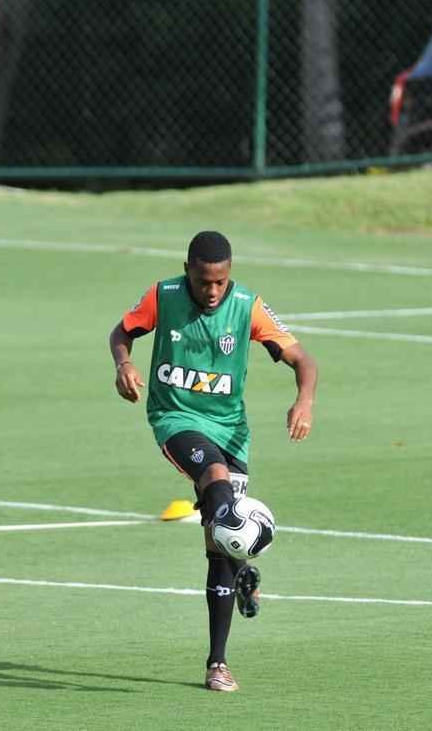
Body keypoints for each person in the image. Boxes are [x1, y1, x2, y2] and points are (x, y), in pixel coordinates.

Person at [108, 230, 318, 692]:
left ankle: (223, 641)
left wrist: (304, 401)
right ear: (188, 271)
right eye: (204, 282)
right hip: (176, 419)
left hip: (232, 432)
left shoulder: (248, 306)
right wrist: (124, 364)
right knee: (215, 480)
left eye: (220, 282)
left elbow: (303, 360)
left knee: (221, 549)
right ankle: (220, 648)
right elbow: (121, 331)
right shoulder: (163, 296)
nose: (212, 291)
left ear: (230, 274)